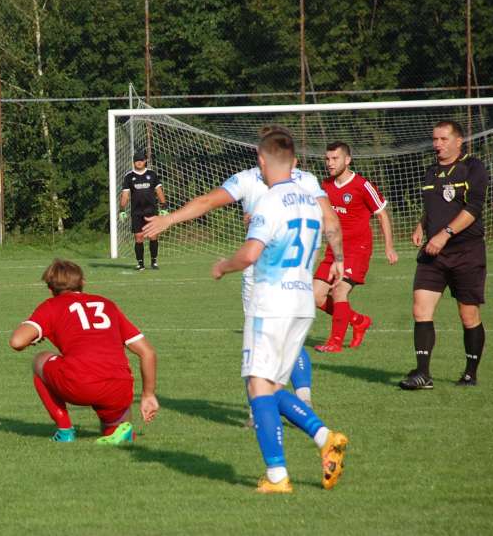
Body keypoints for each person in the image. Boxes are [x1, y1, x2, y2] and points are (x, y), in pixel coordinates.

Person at [143, 126, 345, 418]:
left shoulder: (249, 180)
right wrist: (338, 258)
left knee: (260, 352)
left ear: (263, 155)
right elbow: (331, 221)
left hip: (263, 280)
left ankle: (260, 413)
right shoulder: (308, 182)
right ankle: (304, 400)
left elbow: (207, 202)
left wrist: (169, 220)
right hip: (299, 282)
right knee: (289, 339)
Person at [210, 128, 348, 494]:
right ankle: (324, 437)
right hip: (302, 303)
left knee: (257, 386)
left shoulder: (268, 202)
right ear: (295, 163)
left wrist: (225, 265)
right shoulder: (310, 201)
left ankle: (277, 477)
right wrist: (339, 259)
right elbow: (329, 229)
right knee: (270, 387)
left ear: (261, 160)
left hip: (270, 302)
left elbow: (251, 254)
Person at [9, 259, 159, 445]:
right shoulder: (107, 305)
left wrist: (32, 337)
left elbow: (17, 342)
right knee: (112, 429)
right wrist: (148, 394)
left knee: (40, 359)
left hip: (80, 383)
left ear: (50, 288)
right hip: (118, 387)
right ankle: (119, 431)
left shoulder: (51, 306)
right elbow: (147, 353)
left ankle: (65, 431)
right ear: (83, 282)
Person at [400, 120, 489, 390]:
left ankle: (470, 373)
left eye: (443, 139)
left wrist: (445, 233)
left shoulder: (473, 167)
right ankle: (422, 373)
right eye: (435, 139)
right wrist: (422, 225)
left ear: (458, 141)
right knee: (420, 308)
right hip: (433, 254)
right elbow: (433, 206)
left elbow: (472, 209)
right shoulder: (430, 172)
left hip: (466, 252)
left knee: (468, 315)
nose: (437, 145)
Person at [313, 142, 398, 353]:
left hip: (357, 249)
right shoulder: (325, 186)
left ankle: (335, 342)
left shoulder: (362, 185)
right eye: (328, 159)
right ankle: (358, 320)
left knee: (339, 289)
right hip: (334, 250)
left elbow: (382, 214)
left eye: (335, 159)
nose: (330, 163)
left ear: (347, 160)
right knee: (314, 296)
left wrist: (389, 246)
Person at [119, 149, 167, 270]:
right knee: (139, 237)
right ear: (134, 162)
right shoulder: (129, 176)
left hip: (151, 211)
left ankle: (154, 262)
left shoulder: (152, 174)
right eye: (136, 161)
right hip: (136, 212)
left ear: (145, 161)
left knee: (153, 236)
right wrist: (122, 210)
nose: (139, 162)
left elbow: (159, 191)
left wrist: (164, 206)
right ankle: (140, 264)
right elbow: (125, 195)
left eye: (141, 160)